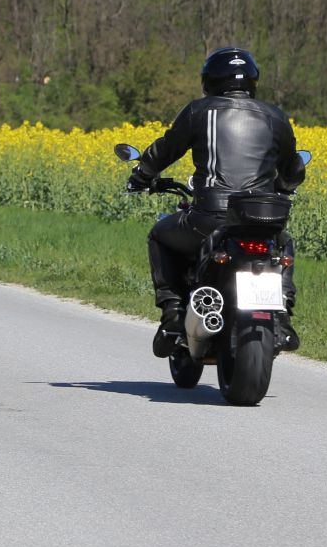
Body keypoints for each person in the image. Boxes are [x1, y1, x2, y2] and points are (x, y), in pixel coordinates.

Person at [125, 47, 306, 357]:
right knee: (284, 243)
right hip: (261, 220)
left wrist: (142, 175)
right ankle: (284, 317)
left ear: (210, 80)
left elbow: (166, 149)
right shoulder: (275, 116)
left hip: (210, 217)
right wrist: (283, 187)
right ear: (251, 81)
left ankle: (171, 313)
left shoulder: (200, 111)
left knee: (159, 234)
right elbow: (292, 170)